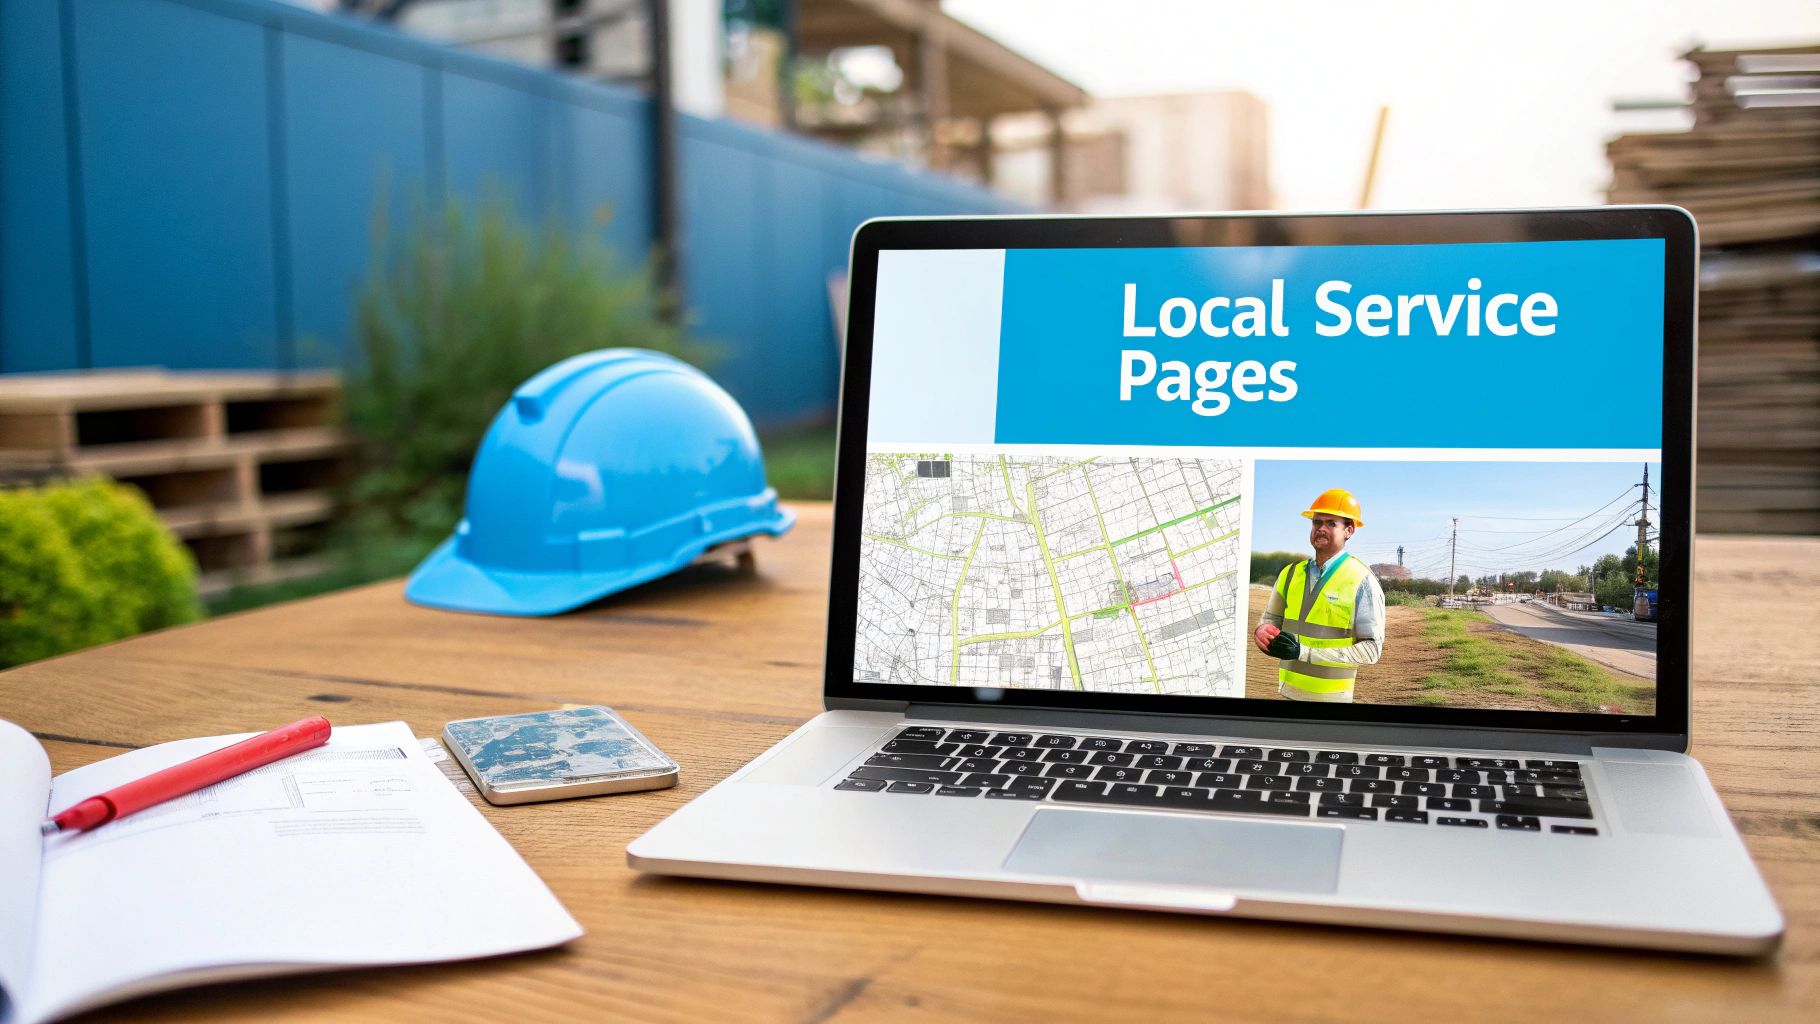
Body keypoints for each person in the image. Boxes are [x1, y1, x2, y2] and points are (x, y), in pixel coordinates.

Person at [1254, 488, 1384, 703]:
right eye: (1316, 522)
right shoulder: (1290, 574)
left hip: (1332, 701)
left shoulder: (1362, 581)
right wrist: (1262, 631)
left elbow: (1371, 650)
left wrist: (1304, 653)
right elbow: (1270, 620)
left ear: (1349, 530)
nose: (1321, 529)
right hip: (1288, 693)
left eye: (1331, 523)